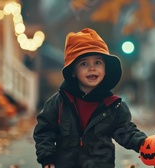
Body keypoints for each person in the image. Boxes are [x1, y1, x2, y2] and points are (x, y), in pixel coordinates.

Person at [33, 28, 147, 168]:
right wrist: (47, 158)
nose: (92, 68)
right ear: (73, 71)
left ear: (105, 70)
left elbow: (126, 131)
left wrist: (143, 143)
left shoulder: (114, 106)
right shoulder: (59, 102)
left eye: (97, 62)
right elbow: (44, 131)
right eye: (84, 64)